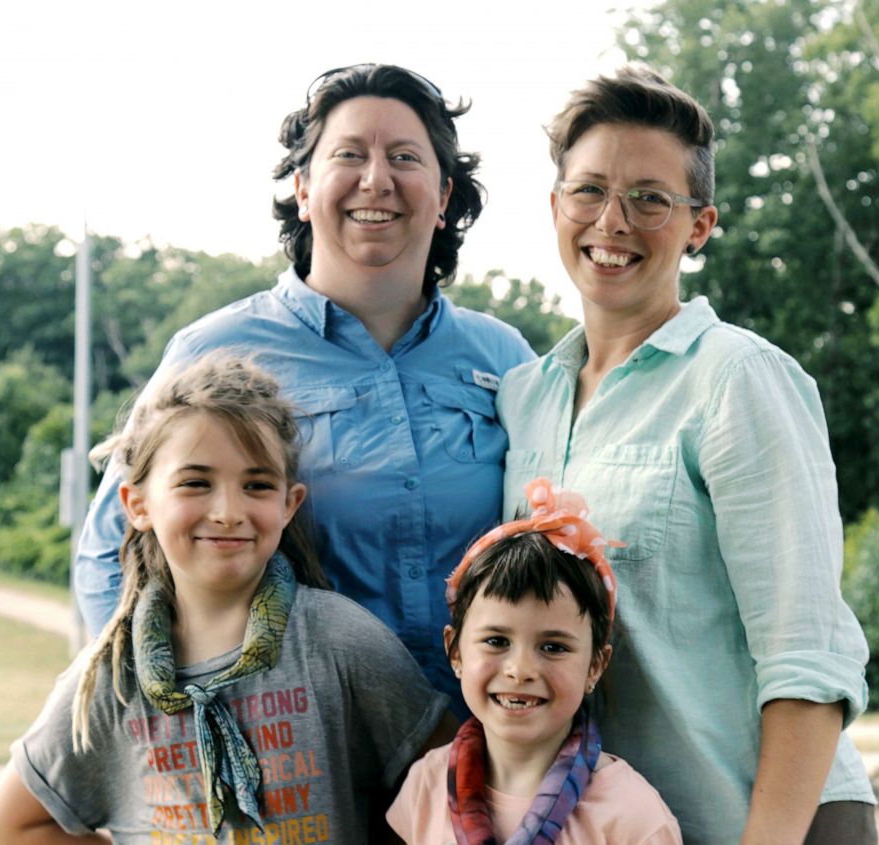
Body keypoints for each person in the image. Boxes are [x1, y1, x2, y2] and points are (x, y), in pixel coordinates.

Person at [74, 64, 535, 714]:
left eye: (405, 157)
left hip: (477, 757)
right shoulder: (214, 351)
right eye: (349, 154)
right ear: (302, 187)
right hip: (298, 760)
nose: (376, 178)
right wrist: (164, 729)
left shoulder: (506, 359)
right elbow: (105, 557)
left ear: (442, 194)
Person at [496, 66, 877, 844]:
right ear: (555, 207)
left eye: (650, 198)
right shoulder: (523, 397)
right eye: (590, 191)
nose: (613, 220)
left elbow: (807, 654)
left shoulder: (738, 380)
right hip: (618, 826)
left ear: (699, 226)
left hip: (766, 819)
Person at [0, 355, 452, 844]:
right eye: (195, 483)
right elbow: (12, 827)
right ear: (138, 505)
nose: (228, 512)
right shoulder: (110, 678)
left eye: (256, 485)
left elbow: (454, 790)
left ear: (289, 505)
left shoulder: (343, 643)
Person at [387, 477, 682, 844]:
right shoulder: (425, 785)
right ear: (456, 651)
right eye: (496, 641)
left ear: (595, 666)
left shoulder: (631, 817)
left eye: (553, 647)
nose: (520, 670)